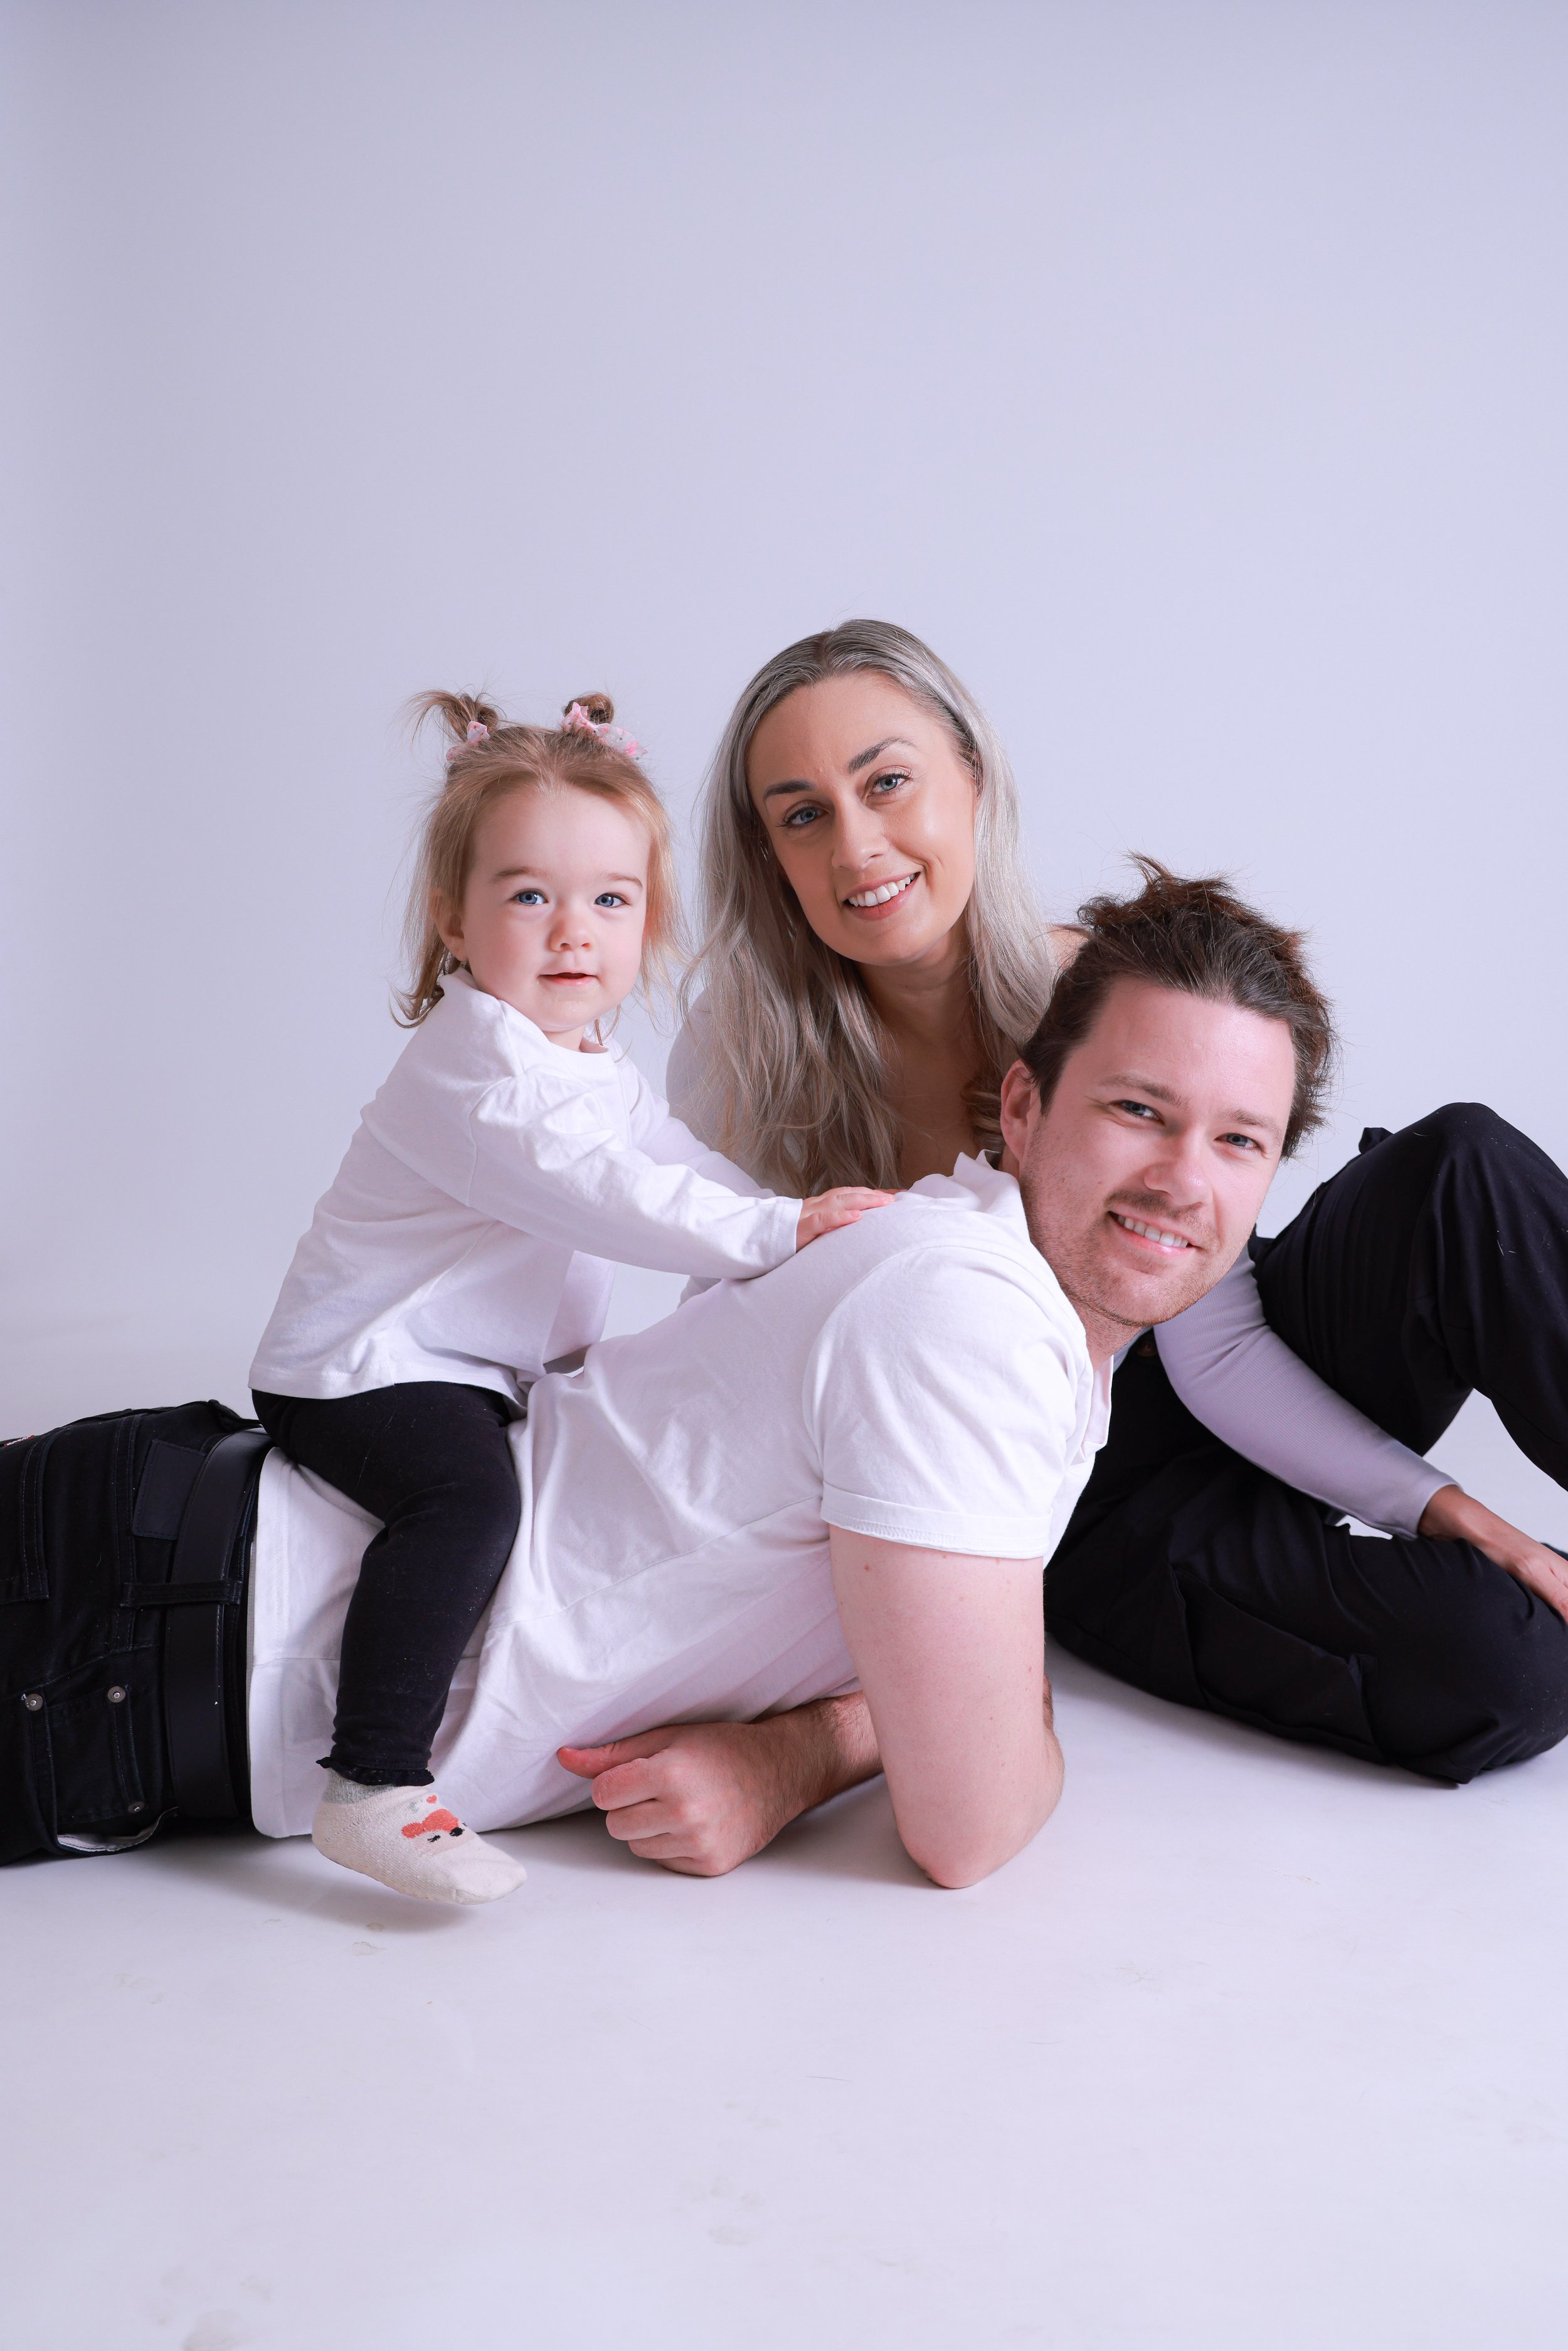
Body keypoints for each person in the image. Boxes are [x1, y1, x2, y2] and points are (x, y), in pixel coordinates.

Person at [3, 866, 1310, 1887]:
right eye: (1137, 1109)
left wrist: (809, 1740)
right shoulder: (969, 1315)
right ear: (1020, 1108)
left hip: (168, 1601)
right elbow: (967, 1817)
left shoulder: (1002, 1308)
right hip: (126, 1626)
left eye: (1237, 1139)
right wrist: (838, 1738)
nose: (1180, 1177)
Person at [563, 618, 1568, 1877]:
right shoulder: (745, 1058)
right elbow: (757, 1421)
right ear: (765, 853)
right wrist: (814, 1732)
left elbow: (1210, 1335)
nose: (857, 844)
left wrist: (1457, 1509)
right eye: (800, 814)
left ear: (971, 781)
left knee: (1460, 1166)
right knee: (1508, 1662)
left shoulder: (1089, 987)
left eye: (885, 783)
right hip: (1072, 1494)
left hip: (1219, 1344)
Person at [247, 688, 888, 1902]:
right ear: (452, 919)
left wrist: (798, 1247)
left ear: (649, 921)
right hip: (362, 1365)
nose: (570, 932)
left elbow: (674, 1166)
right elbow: (607, 1197)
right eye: (529, 896)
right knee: (468, 1507)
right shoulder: (476, 1067)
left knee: (536, 1491)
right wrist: (774, 1230)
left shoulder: (590, 1058)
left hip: (472, 1366)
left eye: (610, 899)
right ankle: (373, 1785)